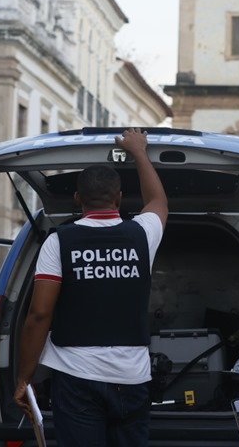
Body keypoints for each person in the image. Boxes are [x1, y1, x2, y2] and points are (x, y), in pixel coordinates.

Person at [13, 127, 168, 447]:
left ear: (77, 199)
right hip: (132, 377)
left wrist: (24, 378)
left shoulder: (58, 242)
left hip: (76, 379)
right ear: (120, 198)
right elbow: (158, 201)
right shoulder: (142, 234)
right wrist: (140, 152)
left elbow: (39, 315)